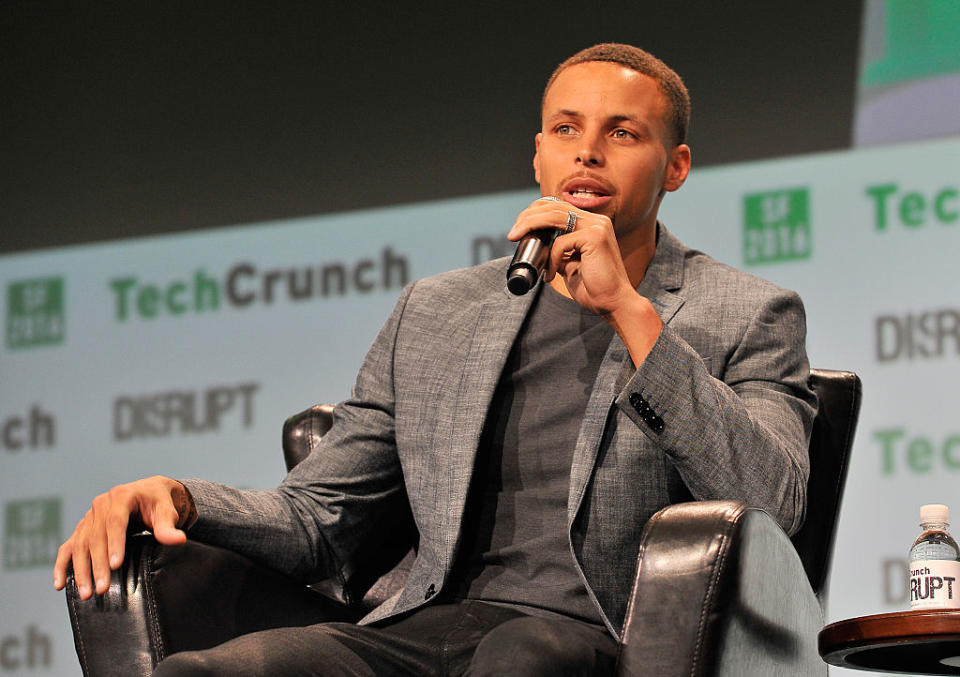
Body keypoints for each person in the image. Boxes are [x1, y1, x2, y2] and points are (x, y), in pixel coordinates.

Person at [54, 43, 817, 676]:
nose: (586, 149)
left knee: (522, 655)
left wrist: (632, 313)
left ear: (675, 167)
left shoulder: (744, 312)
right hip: (424, 629)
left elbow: (770, 503)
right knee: (201, 673)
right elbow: (317, 517)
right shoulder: (439, 311)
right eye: (564, 129)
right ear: (539, 156)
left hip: (599, 642)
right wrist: (180, 495)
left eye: (622, 133)